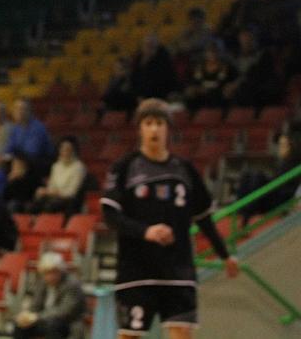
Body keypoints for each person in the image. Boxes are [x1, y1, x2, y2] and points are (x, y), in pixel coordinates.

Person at [102, 98, 238, 339]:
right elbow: (110, 215)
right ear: (140, 128)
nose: (154, 129)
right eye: (148, 123)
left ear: (168, 129)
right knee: (129, 336)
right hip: (137, 270)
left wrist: (225, 255)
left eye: (159, 123)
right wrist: (146, 231)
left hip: (178, 269)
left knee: (182, 334)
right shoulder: (124, 167)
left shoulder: (184, 170)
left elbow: (204, 217)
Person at [12, 251, 86, 339]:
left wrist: (37, 317)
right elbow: (35, 306)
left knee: (52, 324)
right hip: (44, 320)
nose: (50, 276)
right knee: (20, 324)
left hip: (67, 323)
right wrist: (27, 316)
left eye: (54, 272)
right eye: (46, 273)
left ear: (61, 271)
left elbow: (64, 311)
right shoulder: (42, 283)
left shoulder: (72, 284)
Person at [236, 132, 301, 226]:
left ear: (292, 147)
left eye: (284, 145)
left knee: (258, 177)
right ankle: (241, 209)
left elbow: (286, 188)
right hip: (273, 193)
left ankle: (247, 213)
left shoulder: (295, 165)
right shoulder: (283, 163)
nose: (280, 148)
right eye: (280, 145)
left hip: (281, 199)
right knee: (247, 175)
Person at [31, 136, 86, 216]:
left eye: (68, 149)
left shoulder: (79, 167)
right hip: (54, 197)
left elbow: (71, 193)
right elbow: (51, 186)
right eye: (62, 149)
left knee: (49, 206)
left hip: (70, 201)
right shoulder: (56, 166)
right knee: (34, 204)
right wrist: (45, 191)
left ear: (74, 151)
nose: (64, 152)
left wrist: (55, 193)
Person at [5, 99, 55, 182]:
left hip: (39, 163)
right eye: (16, 109)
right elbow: (9, 148)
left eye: (22, 109)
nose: (18, 112)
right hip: (21, 161)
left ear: (30, 111)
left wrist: (14, 160)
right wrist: (4, 157)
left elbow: (31, 153)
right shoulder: (15, 128)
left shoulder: (37, 128)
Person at [182, 43, 236, 111]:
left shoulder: (226, 66)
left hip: (220, 91)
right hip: (201, 92)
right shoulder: (199, 67)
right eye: (210, 51)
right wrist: (195, 88)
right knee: (190, 93)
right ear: (205, 53)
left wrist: (230, 86)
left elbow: (232, 80)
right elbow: (194, 81)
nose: (212, 54)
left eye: (214, 51)